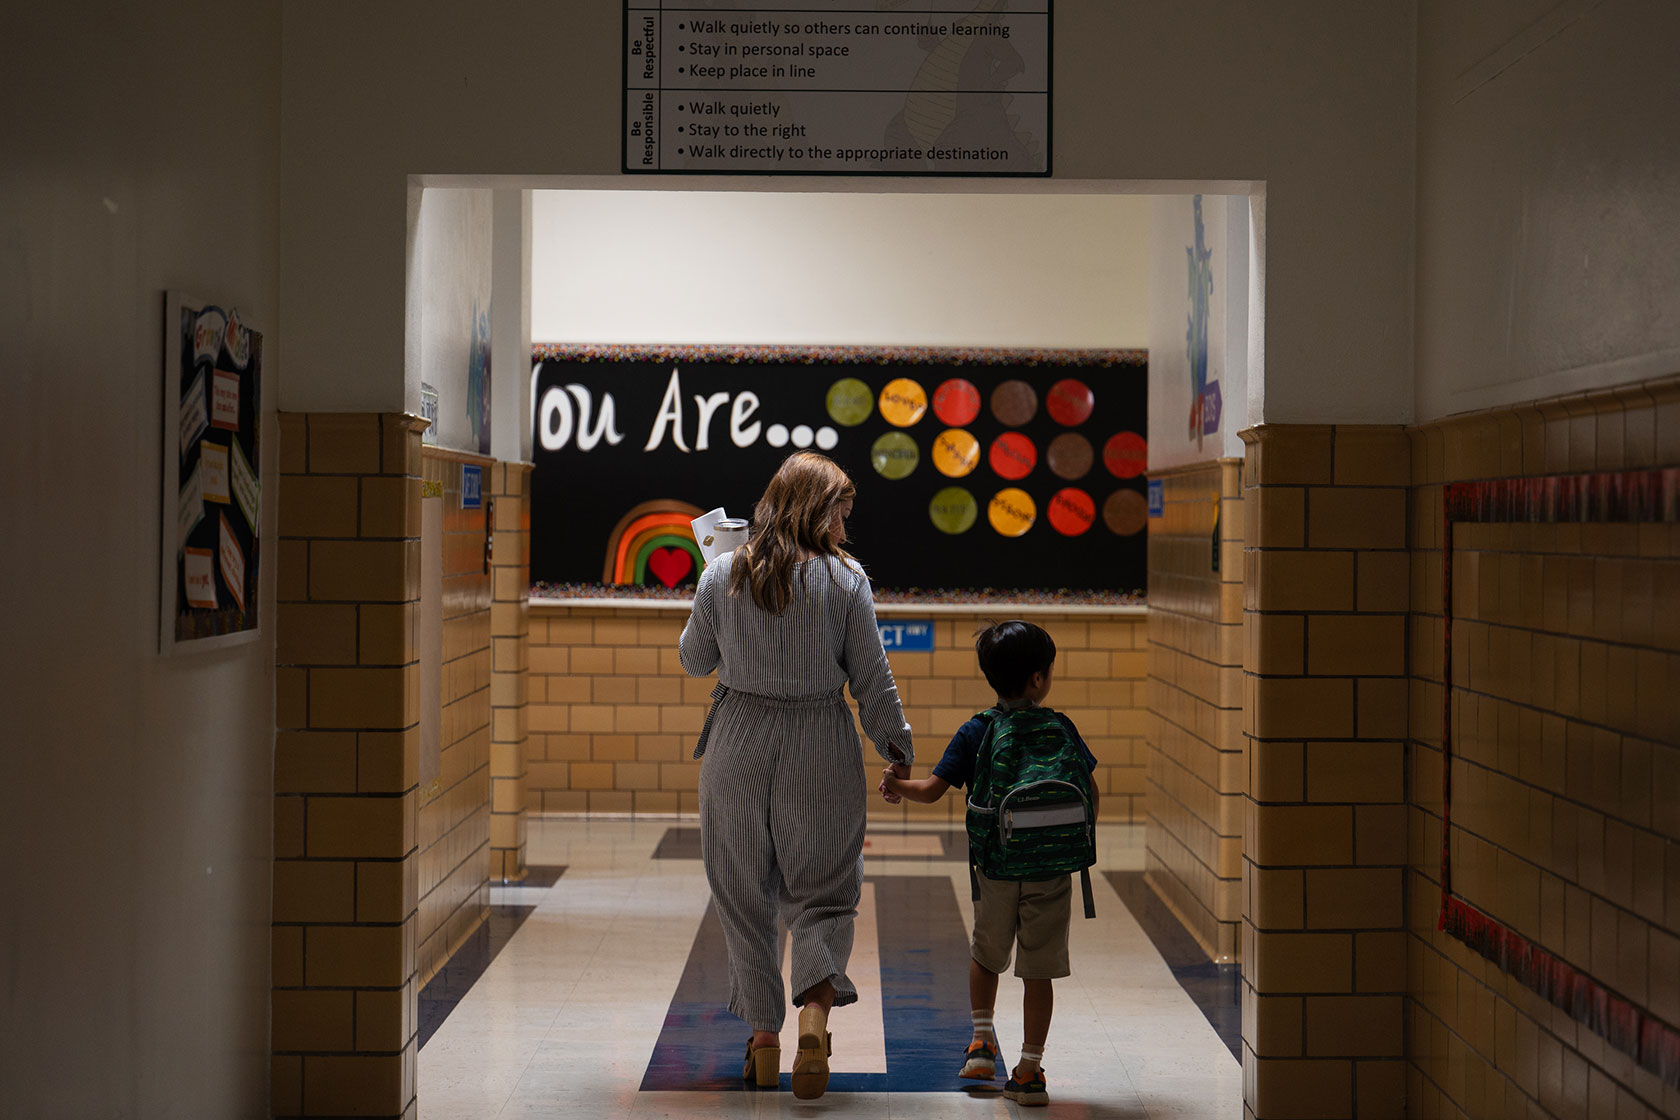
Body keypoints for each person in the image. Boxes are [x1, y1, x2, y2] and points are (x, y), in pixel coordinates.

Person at [679, 451, 913, 1100]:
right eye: (841, 512)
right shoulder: (846, 581)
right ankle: (814, 1016)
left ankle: (762, 1042)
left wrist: (713, 590)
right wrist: (897, 748)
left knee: (743, 895)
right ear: (815, 509)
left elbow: (695, 661)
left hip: (738, 745)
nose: (845, 527)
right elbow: (873, 680)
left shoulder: (724, 572)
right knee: (827, 892)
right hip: (819, 743)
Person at [880, 620, 1097, 1108]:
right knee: (1038, 969)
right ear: (1039, 679)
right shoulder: (1061, 728)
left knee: (986, 953)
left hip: (996, 868)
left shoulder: (978, 729)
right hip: (1052, 871)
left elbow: (933, 790)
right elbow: (1090, 793)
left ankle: (981, 1044)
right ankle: (1030, 1070)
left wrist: (895, 785)